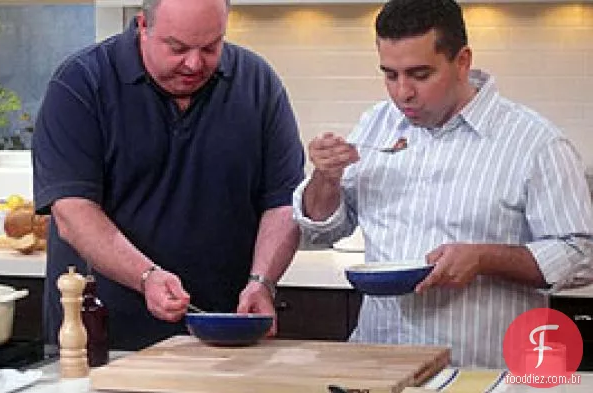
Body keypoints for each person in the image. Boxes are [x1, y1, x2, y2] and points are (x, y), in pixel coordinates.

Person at [293, 0, 593, 368]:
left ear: (462, 61)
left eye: (420, 75)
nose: (402, 93)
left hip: (484, 372)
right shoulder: (376, 124)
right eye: (390, 75)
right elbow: (323, 230)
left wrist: (483, 258)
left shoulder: (535, 143)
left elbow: (579, 253)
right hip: (379, 365)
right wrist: (325, 178)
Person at [33, 0, 304, 350]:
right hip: (103, 340)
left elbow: (284, 202)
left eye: (210, 47)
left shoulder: (257, 83)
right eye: (177, 48)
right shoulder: (82, 82)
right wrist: (146, 277)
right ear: (143, 25)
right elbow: (72, 211)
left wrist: (262, 282)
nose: (194, 63)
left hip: (221, 338)